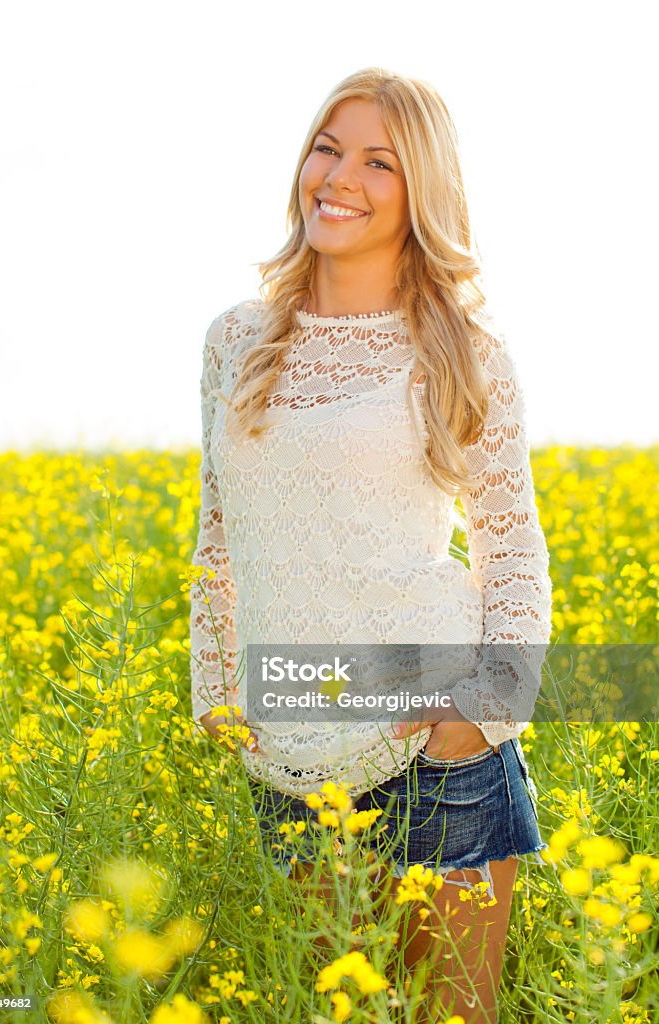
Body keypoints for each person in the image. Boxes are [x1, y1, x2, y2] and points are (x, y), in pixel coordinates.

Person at [189, 66, 553, 1022]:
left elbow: (511, 546)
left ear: (421, 190)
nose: (337, 176)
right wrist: (219, 687)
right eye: (326, 147)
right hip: (293, 735)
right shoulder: (234, 340)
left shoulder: (463, 353)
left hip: (438, 740)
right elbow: (217, 535)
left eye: (378, 161)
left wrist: (483, 710)